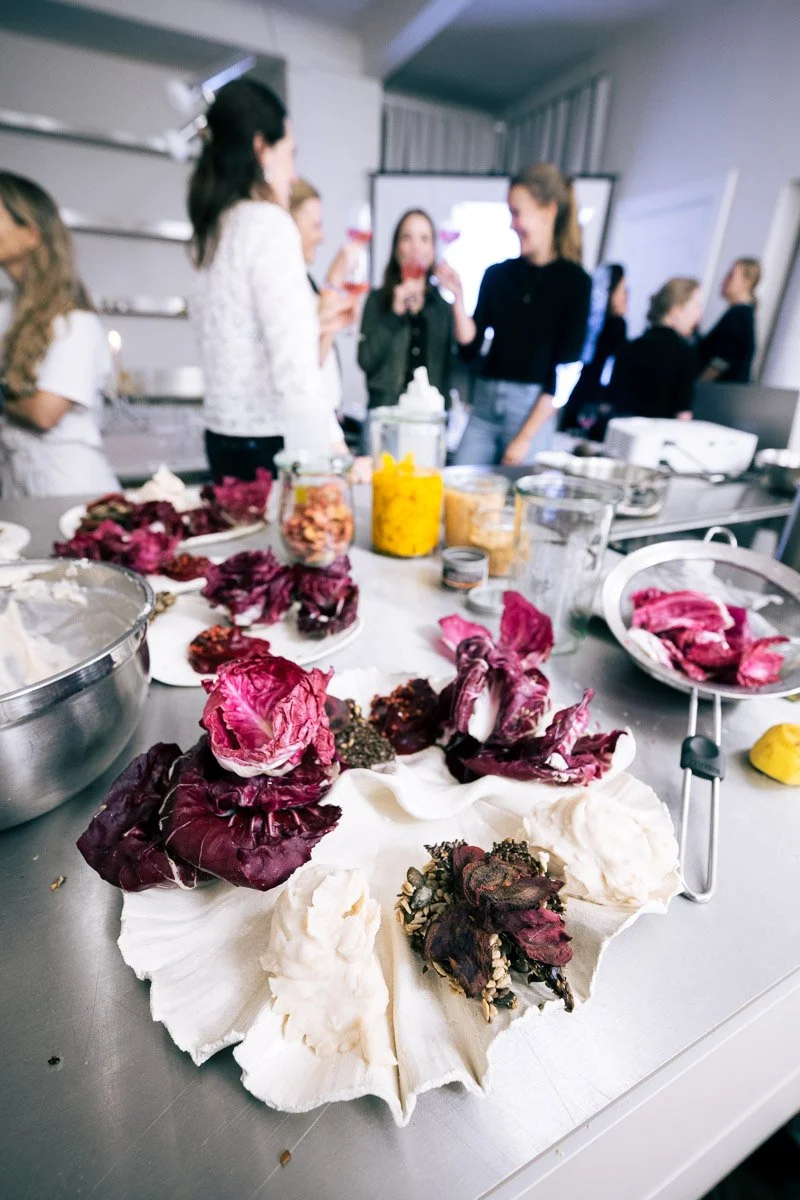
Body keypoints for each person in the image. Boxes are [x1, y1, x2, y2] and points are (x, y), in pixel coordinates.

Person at [189, 79, 350, 481]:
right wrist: (334, 451)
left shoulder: (214, 228)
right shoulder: (268, 224)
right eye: (290, 154)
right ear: (262, 148)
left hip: (220, 436)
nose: (294, 174)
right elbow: (294, 363)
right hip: (269, 444)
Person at [437, 163, 591, 467]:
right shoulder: (497, 275)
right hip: (484, 407)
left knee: (517, 502)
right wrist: (457, 298)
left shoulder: (575, 282)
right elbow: (470, 347)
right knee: (459, 491)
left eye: (517, 213)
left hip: (532, 413)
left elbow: (566, 372)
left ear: (548, 211)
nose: (512, 224)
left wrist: (524, 438)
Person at [0, 173, 118, 499]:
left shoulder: (75, 322)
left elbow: (44, 412)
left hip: (68, 489)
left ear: (29, 235)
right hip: (16, 487)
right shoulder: (7, 314)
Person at [358, 209, 454, 411]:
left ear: (433, 250)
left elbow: (459, 362)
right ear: (396, 248)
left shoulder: (442, 307)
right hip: (386, 414)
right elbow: (366, 360)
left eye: (424, 239)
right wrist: (394, 314)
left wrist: (458, 297)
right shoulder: (377, 300)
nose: (415, 247)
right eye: (407, 238)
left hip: (429, 417)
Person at [609, 277, 702, 419]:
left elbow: (612, 403)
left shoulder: (629, 347)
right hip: (660, 437)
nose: (699, 314)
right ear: (676, 310)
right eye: (696, 305)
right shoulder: (684, 353)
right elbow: (683, 414)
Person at [559, 263, 627, 441]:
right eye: (622, 289)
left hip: (579, 395)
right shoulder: (615, 324)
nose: (626, 295)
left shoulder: (588, 322)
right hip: (596, 401)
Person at [698, 257, 760, 383]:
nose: (724, 280)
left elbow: (721, 361)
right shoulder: (741, 315)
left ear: (747, 283)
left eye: (731, 275)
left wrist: (698, 386)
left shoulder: (739, 317)